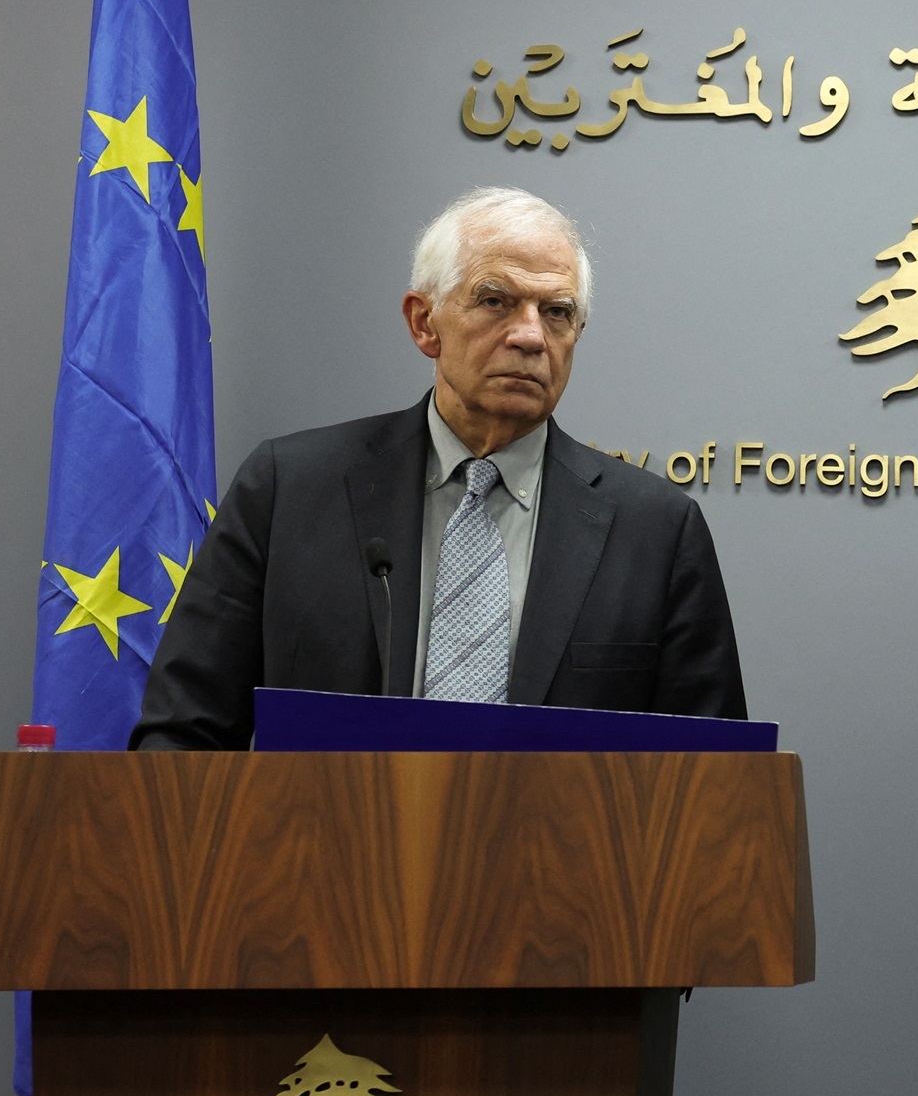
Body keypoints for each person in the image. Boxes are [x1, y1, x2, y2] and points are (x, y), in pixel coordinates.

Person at [132, 185, 745, 748]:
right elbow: (182, 735)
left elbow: (715, 782)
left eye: (556, 312)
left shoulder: (657, 531)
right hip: (323, 836)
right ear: (425, 323)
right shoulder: (288, 490)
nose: (531, 336)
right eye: (495, 301)